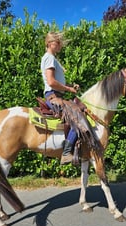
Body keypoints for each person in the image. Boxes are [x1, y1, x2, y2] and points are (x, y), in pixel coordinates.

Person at [41, 32, 79, 165]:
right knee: (77, 119)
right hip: (53, 96)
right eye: (58, 43)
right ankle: (66, 153)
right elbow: (51, 82)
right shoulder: (50, 58)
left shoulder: (51, 58)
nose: (60, 46)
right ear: (50, 43)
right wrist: (68, 89)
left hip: (56, 95)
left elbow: (56, 82)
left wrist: (70, 86)